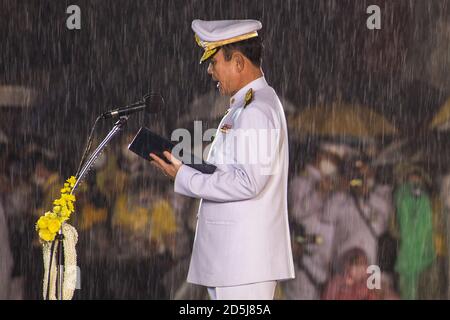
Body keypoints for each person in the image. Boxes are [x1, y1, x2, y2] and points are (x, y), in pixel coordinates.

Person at [149, 19, 294, 299]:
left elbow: (248, 183)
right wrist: (187, 166)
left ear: (238, 63)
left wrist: (184, 176)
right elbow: (232, 170)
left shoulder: (255, 110)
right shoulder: (247, 105)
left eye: (214, 62)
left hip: (243, 260)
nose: (210, 70)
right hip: (236, 260)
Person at [283, 143, 347, 299]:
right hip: (305, 258)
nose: (333, 165)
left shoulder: (333, 183)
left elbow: (332, 218)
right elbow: (296, 213)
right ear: (320, 156)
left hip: (326, 261)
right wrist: (318, 192)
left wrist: (339, 193)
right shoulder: (300, 181)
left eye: (336, 162)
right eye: (331, 159)